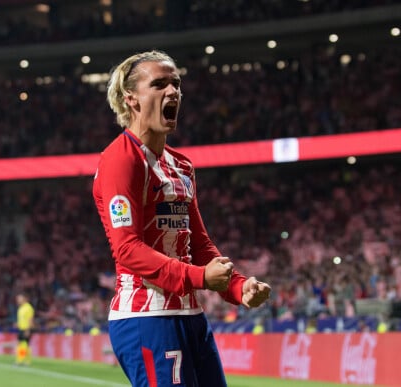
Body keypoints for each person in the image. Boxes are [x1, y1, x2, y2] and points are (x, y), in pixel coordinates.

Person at [93, 50, 271, 387]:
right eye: (158, 84)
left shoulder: (182, 165)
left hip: (190, 315)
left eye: (176, 84)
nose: (172, 91)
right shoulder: (121, 159)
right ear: (131, 99)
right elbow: (127, 249)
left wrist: (237, 285)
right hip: (146, 316)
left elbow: (199, 244)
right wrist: (201, 277)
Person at [15, 293, 35, 366]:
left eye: (19, 299)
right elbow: (22, 319)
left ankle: (21, 360)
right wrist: (18, 324)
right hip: (21, 328)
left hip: (26, 328)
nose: (18, 300)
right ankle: (26, 361)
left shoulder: (28, 308)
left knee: (24, 345)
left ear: (24, 299)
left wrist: (28, 330)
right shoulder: (21, 308)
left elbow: (30, 319)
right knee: (23, 345)